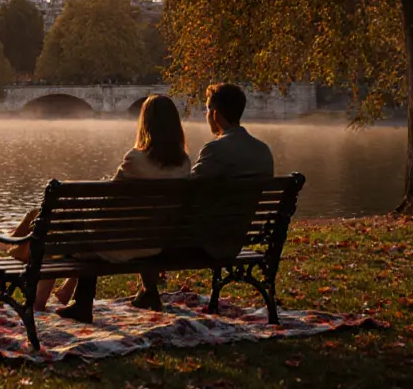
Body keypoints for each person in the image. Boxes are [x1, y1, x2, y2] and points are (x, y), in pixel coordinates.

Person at [55, 82, 275, 323]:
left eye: (206, 109)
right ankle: (148, 292)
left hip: (202, 242)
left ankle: (90, 300)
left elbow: (184, 193)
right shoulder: (263, 151)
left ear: (214, 114)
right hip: (237, 239)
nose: (206, 114)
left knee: (146, 223)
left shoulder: (215, 150)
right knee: (151, 220)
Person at [7, 94, 191, 316]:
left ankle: (41, 302)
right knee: (75, 230)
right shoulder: (184, 164)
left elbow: (107, 208)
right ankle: (73, 296)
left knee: (59, 233)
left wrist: (83, 214)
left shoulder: (135, 160)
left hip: (116, 247)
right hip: (155, 245)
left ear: (146, 124)